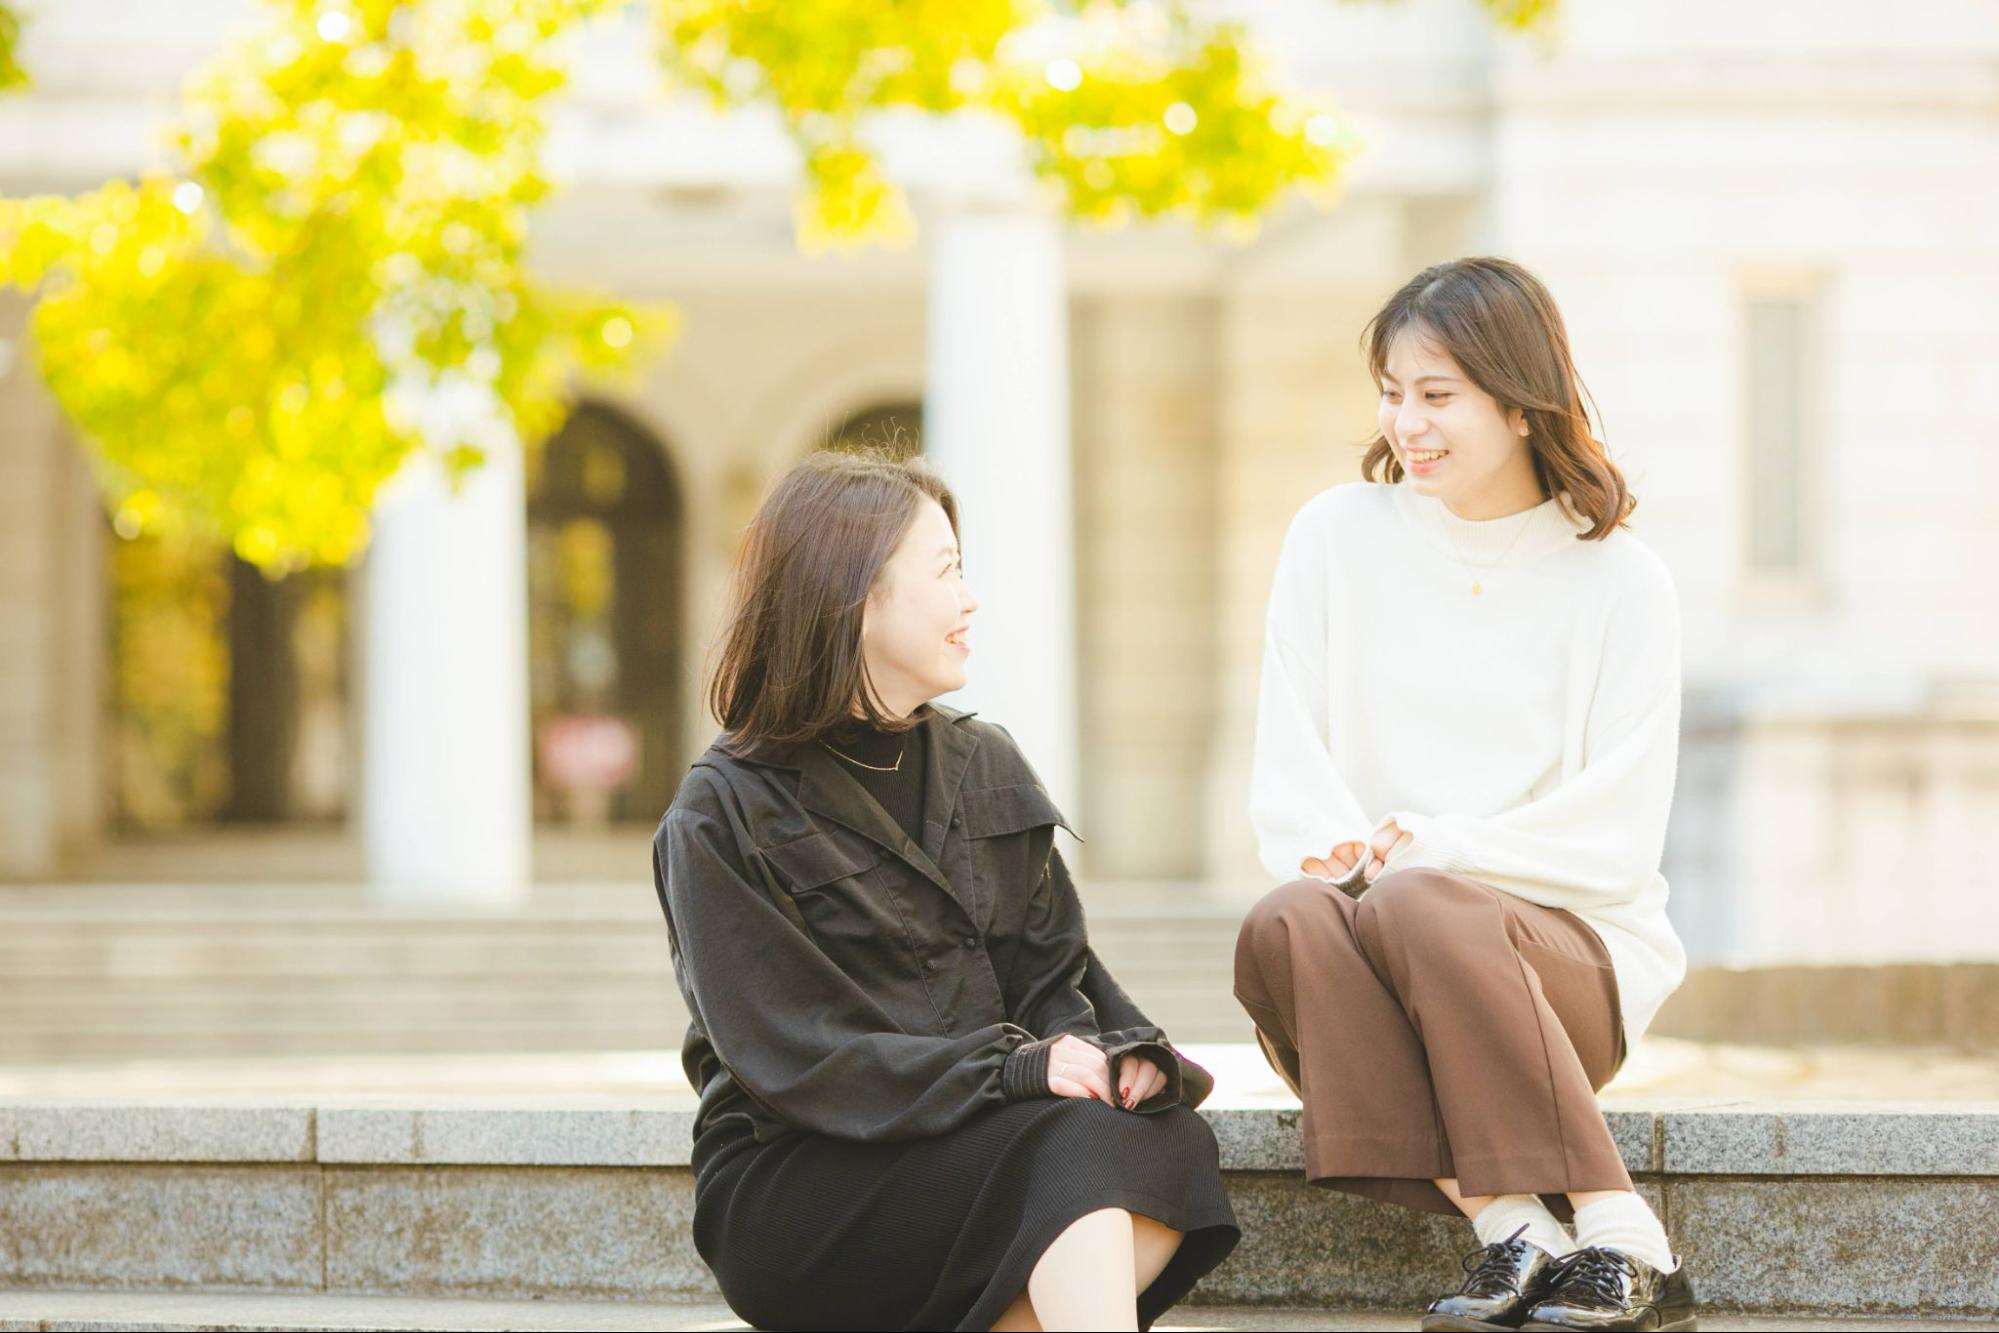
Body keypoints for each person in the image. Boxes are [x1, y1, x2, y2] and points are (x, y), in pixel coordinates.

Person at [653, 449, 1239, 1332]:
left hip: (982, 1141)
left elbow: (1052, 973)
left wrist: (1114, 1055)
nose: (969, 601)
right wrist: (1008, 1069)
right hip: (806, 1175)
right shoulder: (723, 807)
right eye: (946, 572)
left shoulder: (985, 763)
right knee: (1079, 1153)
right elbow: (793, 1053)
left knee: (1165, 1143)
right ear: (852, 592)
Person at [1234, 257, 1700, 1332]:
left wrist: (1437, 849)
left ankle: (1623, 1232)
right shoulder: (1334, 536)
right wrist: (1353, 855)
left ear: (1519, 397)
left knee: (1419, 898)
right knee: (1285, 920)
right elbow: (1291, 772)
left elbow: (1616, 841)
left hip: (1560, 971)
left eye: (1436, 395)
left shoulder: (1619, 580)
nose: (1408, 423)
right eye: (1391, 393)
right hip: (1381, 951)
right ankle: (1514, 1228)